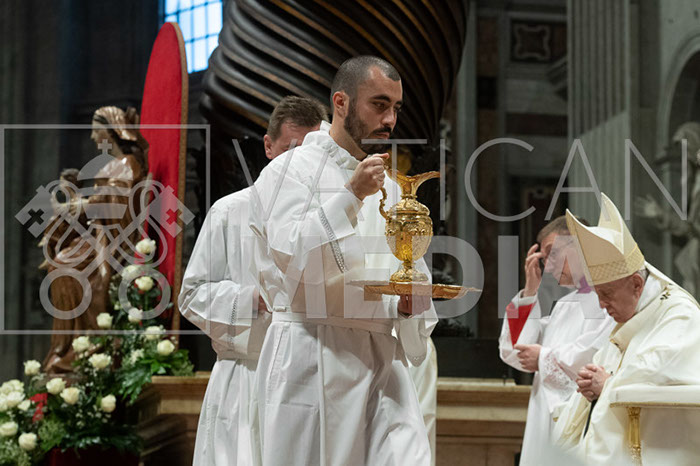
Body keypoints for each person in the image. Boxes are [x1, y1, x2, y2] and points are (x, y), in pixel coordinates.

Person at [250, 55, 437, 466]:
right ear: (341, 102)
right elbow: (294, 259)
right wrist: (350, 195)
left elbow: (412, 269)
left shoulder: (391, 187)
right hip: (311, 358)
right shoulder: (288, 171)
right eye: (379, 104)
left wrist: (409, 305)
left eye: (396, 108)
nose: (390, 120)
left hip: (381, 364)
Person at [178, 96, 327, 466]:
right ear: (268, 146)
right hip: (246, 377)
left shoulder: (330, 218)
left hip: (310, 382)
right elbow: (192, 294)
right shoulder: (230, 211)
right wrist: (251, 299)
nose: (299, 162)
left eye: (310, 152)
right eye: (290, 149)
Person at [554, 193, 700, 464]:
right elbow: (608, 367)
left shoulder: (680, 314)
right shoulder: (633, 316)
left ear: (636, 284)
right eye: (597, 294)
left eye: (607, 294)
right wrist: (591, 383)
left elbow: (659, 369)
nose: (601, 305)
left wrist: (606, 384)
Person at [498, 216, 615, 465]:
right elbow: (515, 351)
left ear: (581, 244)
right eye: (543, 258)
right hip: (544, 414)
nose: (548, 267)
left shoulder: (610, 298)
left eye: (552, 253)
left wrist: (542, 357)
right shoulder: (565, 304)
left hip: (580, 416)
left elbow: (594, 354)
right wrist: (530, 291)